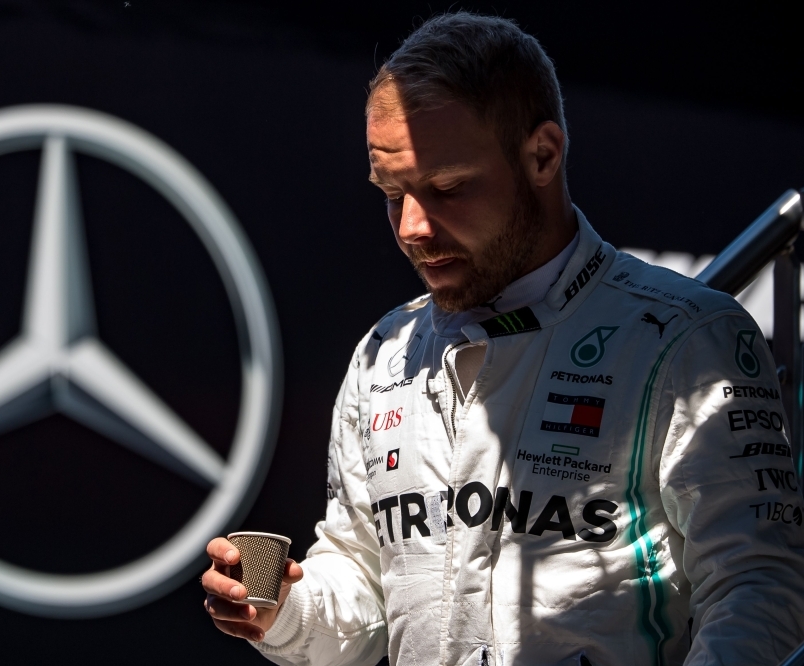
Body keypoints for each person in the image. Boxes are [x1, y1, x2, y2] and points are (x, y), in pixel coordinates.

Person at [201, 11, 804, 665]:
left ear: (543, 154)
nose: (412, 227)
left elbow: (760, 591)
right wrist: (286, 612)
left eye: (448, 188)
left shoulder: (685, 337)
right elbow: (363, 594)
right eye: (391, 192)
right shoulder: (384, 353)